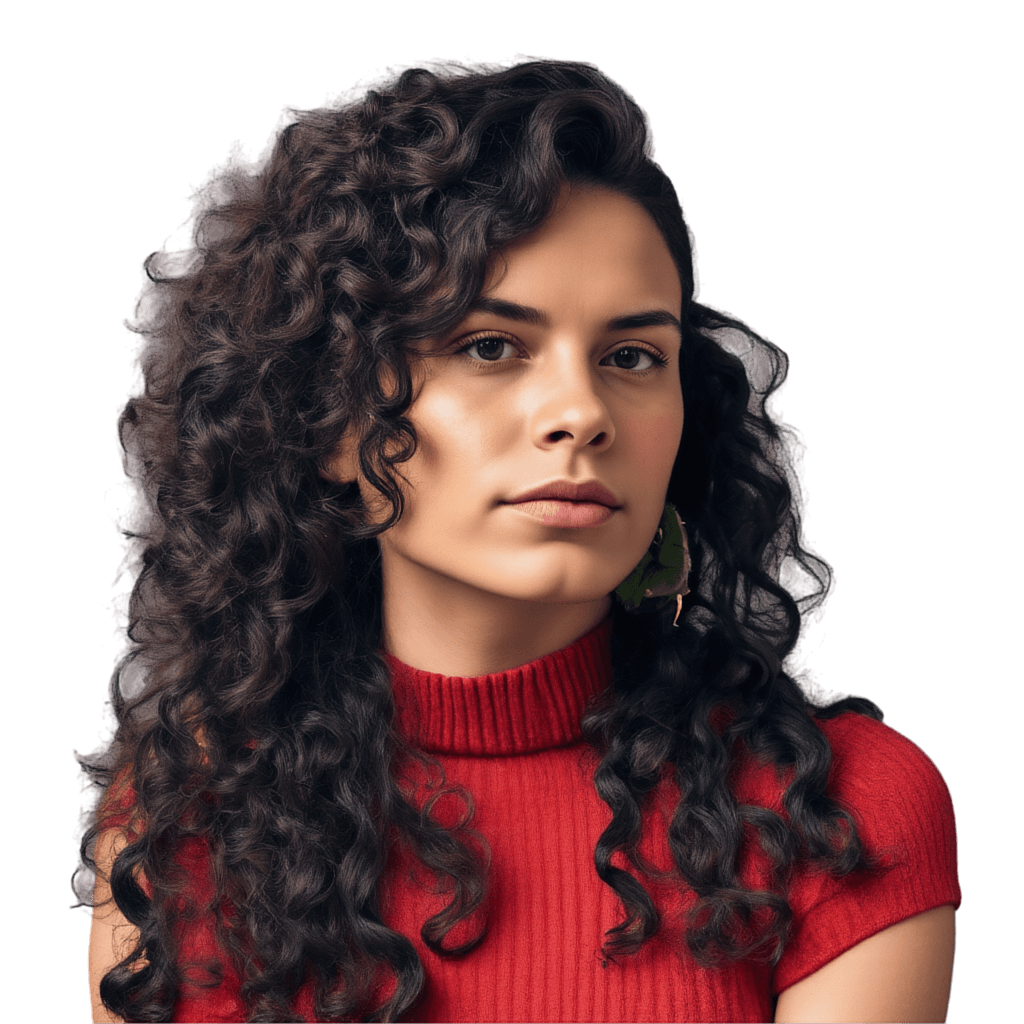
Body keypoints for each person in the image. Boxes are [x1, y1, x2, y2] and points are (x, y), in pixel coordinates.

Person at [75, 57, 960, 1024]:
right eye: (490, 346)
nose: (581, 413)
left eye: (631, 357)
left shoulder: (842, 813)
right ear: (329, 419)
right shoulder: (187, 823)